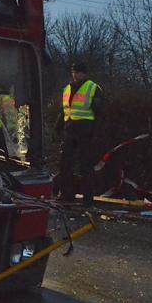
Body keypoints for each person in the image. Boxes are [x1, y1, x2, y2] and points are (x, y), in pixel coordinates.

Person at [55, 62, 104, 206]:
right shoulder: (67, 89)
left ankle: (88, 199)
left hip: (85, 130)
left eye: (79, 72)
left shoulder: (93, 88)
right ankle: (66, 194)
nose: (76, 74)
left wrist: (96, 134)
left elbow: (100, 114)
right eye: (74, 71)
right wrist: (57, 128)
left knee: (85, 165)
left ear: (85, 73)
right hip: (70, 129)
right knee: (65, 165)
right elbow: (63, 110)